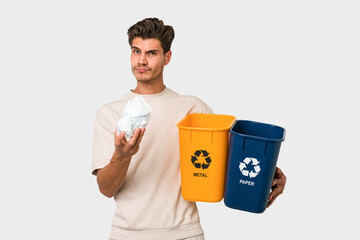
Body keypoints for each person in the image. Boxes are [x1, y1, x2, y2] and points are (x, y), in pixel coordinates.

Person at [92, 18, 287, 240]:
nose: (142, 60)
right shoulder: (109, 112)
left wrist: (268, 176)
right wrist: (121, 156)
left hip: (185, 233)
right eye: (136, 51)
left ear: (167, 57)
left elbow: (230, 162)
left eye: (152, 53)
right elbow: (106, 189)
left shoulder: (193, 109)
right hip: (127, 234)